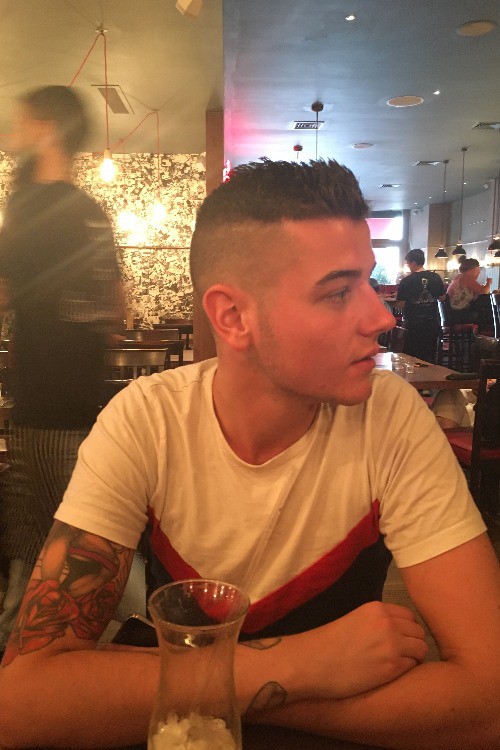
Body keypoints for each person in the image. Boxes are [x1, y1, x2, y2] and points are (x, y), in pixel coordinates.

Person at [1, 158, 499, 750]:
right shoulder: (148, 421)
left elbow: (489, 700)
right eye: (339, 292)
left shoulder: (390, 417)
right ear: (233, 316)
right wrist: (301, 666)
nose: (381, 316)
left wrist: (235, 696)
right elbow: (24, 699)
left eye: (367, 282)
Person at [0, 85, 123, 650]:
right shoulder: (91, 213)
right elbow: (116, 306)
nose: (13, 132)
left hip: (41, 396)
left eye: (22, 121)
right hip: (82, 400)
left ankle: (31, 660)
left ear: (47, 129)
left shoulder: (27, 207)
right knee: (71, 537)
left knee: (47, 542)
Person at [396, 248, 446, 363]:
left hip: (413, 323)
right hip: (432, 322)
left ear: (413, 262)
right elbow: (442, 298)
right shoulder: (436, 277)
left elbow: (400, 304)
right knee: (429, 354)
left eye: (408, 263)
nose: (408, 266)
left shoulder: (407, 281)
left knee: (412, 355)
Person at [447, 257, 492, 324]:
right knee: (486, 313)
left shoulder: (459, 277)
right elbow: (483, 292)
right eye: (478, 270)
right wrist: (488, 283)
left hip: (452, 312)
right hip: (458, 313)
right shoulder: (466, 278)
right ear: (472, 269)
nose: (479, 272)